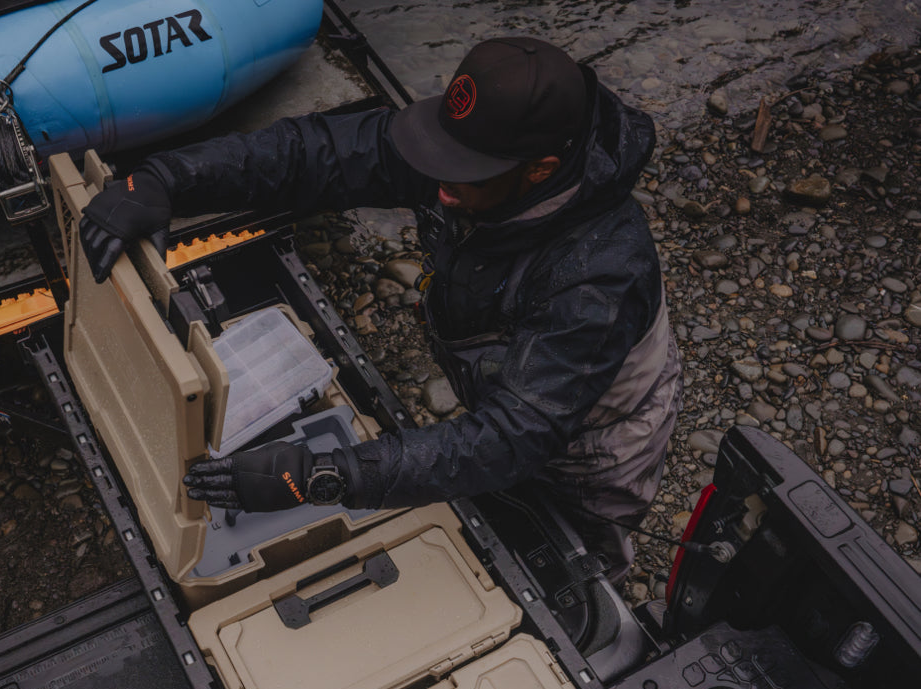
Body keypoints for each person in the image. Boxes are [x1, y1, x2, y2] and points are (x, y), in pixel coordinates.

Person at [79, 37, 682, 587]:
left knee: (571, 554)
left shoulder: (599, 276)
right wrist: (164, 180)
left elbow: (511, 437)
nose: (440, 184)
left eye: (465, 175)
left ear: (541, 171)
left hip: (593, 441)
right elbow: (310, 154)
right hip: (508, 379)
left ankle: (604, 594)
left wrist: (321, 475)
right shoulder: (471, 155)